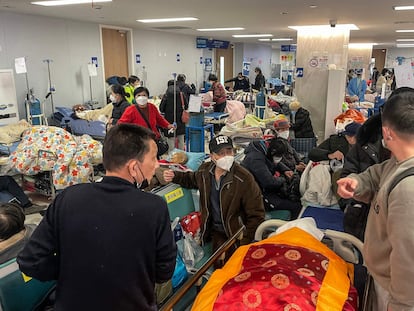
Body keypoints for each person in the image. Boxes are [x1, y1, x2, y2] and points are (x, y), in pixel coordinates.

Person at [17, 124, 177, 311]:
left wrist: (71, 271)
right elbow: (164, 271)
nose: (157, 164)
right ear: (134, 167)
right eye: (153, 158)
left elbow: (30, 261)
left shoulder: (67, 199)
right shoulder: (154, 207)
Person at [337, 89, 414, 310]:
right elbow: (376, 174)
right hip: (382, 278)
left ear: (387, 133)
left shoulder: (408, 191)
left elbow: (408, 264)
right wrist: (357, 183)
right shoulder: (398, 161)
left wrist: (399, 305)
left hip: (397, 294)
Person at [162, 135, 265, 254]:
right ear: (212, 156)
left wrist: (244, 242)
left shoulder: (243, 178)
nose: (226, 156)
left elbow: (256, 215)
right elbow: (191, 179)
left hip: (236, 233)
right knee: (219, 263)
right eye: (221, 153)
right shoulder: (204, 172)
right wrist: (175, 176)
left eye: (229, 151)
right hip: (216, 232)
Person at [339, 114, 391, 240]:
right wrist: (351, 189)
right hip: (360, 216)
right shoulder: (364, 146)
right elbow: (360, 177)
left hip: (390, 225)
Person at [241, 140, 302, 219]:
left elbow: (274, 161)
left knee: (295, 199)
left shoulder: (265, 150)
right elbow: (269, 182)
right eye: (278, 156)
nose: (279, 159)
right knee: (297, 206)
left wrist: (285, 170)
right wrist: (284, 179)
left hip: (266, 190)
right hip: (258, 196)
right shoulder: (255, 159)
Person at [118, 86, 175, 156]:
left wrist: (168, 125)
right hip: (139, 143)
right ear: (135, 97)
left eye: (144, 95)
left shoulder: (152, 107)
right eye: (139, 95)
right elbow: (121, 124)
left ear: (148, 97)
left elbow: (159, 119)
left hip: (153, 140)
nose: (141, 98)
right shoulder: (131, 110)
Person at [159, 79, 188, 150]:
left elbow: (161, 109)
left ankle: (171, 157)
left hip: (169, 121)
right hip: (180, 120)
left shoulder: (166, 96)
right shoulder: (181, 95)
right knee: (181, 140)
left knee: (170, 140)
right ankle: (181, 156)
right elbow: (186, 106)